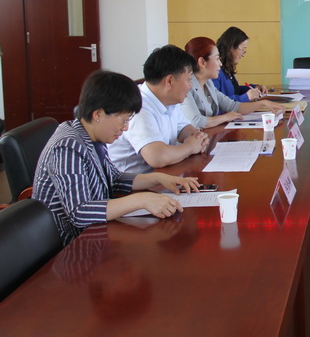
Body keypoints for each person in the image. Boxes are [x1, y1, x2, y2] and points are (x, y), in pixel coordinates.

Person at [32, 70, 200, 246]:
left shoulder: (93, 136)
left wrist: (158, 178)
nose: (125, 128)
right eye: (123, 120)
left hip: (96, 233)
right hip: (69, 244)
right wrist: (140, 200)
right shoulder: (68, 146)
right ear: (98, 114)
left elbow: (113, 178)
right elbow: (79, 211)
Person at [109, 44, 210, 174]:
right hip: (134, 183)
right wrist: (191, 146)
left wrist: (198, 138)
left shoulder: (169, 100)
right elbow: (157, 157)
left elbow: (184, 129)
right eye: (188, 80)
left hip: (161, 176)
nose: (190, 86)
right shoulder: (139, 107)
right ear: (170, 81)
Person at [182, 36, 284, 129]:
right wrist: (225, 117)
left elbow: (233, 106)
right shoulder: (186, 87)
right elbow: (197, 122)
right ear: (202, 62)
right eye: (217, 59)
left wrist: (263, 103)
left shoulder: (208, 83)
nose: (220, 64)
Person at [212, 26, 266, 102]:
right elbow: (218, 102)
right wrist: (246, 97)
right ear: (231, 47)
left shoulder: (227, 67)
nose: (243, 54)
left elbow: (234, 91)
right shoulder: (215, 71)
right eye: (243, 50)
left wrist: (254, 88)